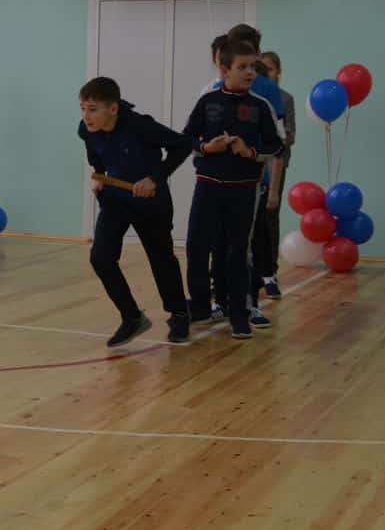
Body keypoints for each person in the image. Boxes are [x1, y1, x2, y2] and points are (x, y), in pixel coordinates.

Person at [79, 76, 193, 345]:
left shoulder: (140, 126)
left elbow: (183, 145)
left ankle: (179, 314)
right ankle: (132, 317)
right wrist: (99, 175)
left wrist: (155, 178)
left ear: (113, 108)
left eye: (93, 109)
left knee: (161, 258)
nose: (86, 116)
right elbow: (95, 155)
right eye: (83, 108)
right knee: (101, 258)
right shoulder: (86, 129)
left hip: (150, 201)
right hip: (116, 199)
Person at [183, 39, 284, 339]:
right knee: (196, 246)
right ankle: (201, 307)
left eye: (253, 67)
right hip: (207, 187)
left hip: (243, 191)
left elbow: (277, 145)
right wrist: (206, 147)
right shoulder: (207, 102)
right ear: (225, 69)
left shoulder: (260, 106)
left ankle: (238, 313)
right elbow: (186, 138)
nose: (250, 72)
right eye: (242, 67)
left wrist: (250, 152)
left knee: (237, 252)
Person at [254, 50, 295, 299]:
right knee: (253, 220)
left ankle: (270, 270)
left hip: (275, 164)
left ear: (278, 71)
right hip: (255, 164)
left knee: (270, 217)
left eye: (270, 69)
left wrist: (277, 137)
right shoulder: (254, 96)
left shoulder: (285, 99)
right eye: (263, 69)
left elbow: (289, 136)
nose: (266, 73)